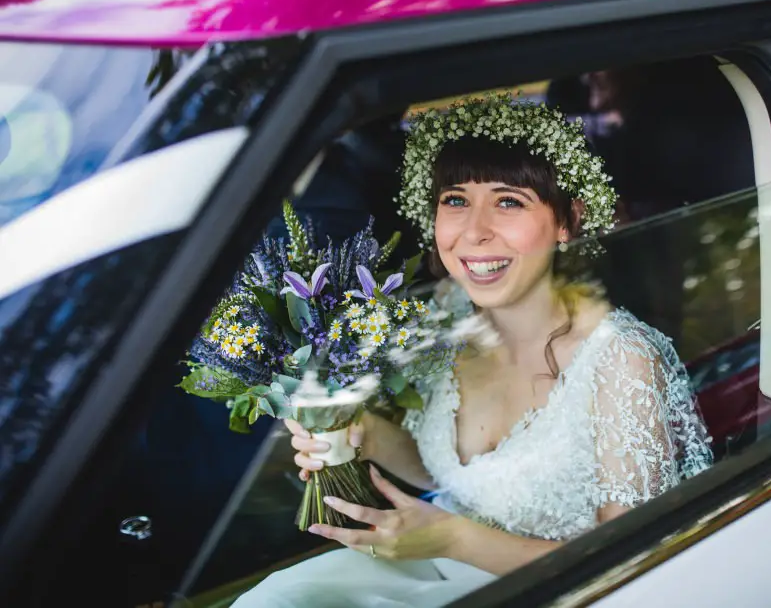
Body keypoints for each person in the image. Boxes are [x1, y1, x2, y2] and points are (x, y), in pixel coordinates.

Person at [232, 96, 712, 608]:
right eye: (456, 200)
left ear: (568, 220)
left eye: (509, 201)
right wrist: (363, 432)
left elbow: (636, 565)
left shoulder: (621, 360)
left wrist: (454, 538)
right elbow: (451, 474)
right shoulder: (450, 312)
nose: (473, 231)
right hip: (444, 564)